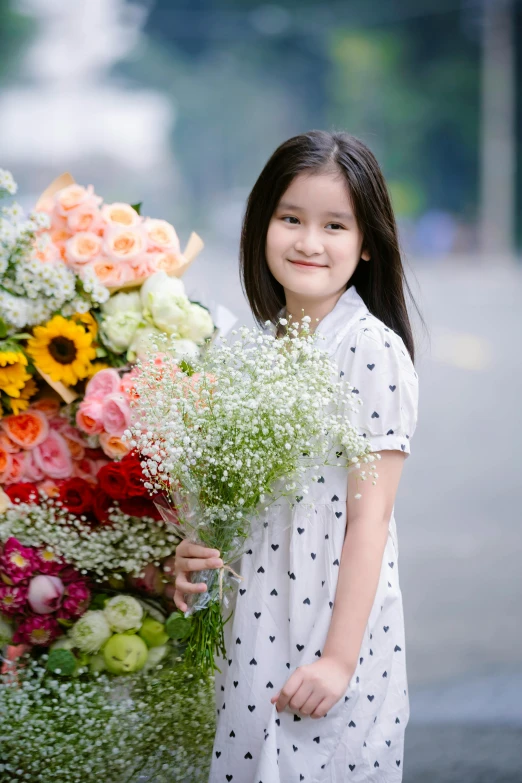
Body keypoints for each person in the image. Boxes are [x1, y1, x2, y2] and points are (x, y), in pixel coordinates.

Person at [170, 130, 420, 782]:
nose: (310, 241)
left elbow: (372, 517)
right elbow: (221, 507)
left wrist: (338, 659)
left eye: (334, 224)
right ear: (261, 227)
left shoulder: (370, 349)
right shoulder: (238, 351)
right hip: (248, 628)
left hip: (334, 622)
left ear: (366, 243)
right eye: (291, 219)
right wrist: (190, 553)